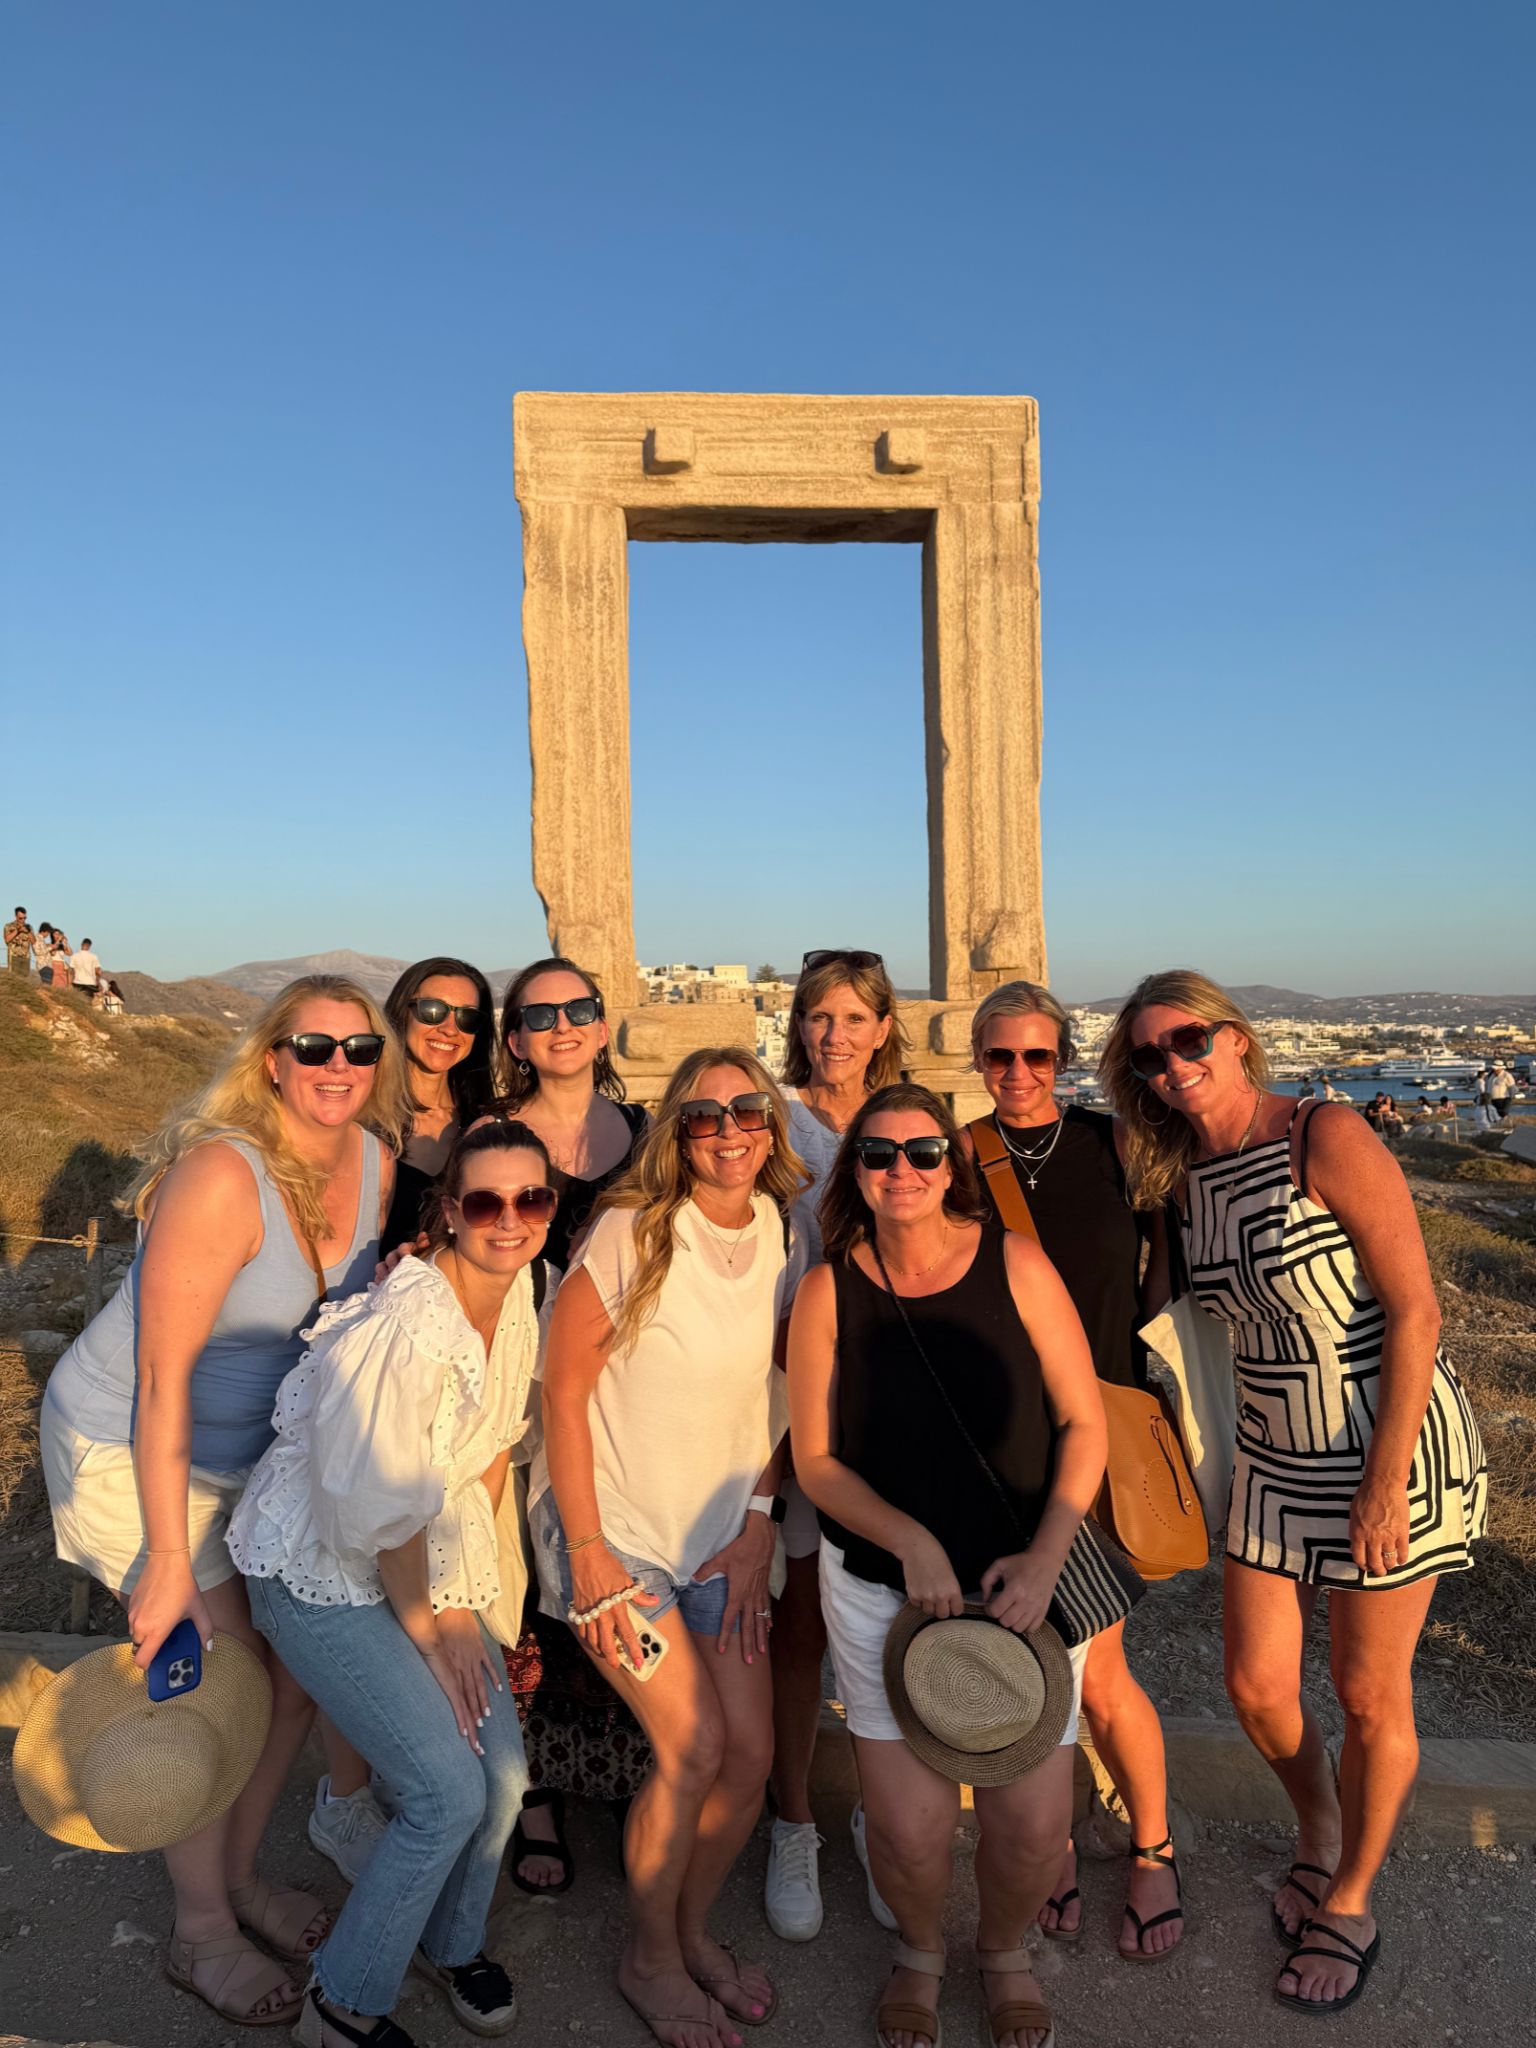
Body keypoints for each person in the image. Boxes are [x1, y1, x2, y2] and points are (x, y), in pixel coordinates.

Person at [1101, 971, 1487, 2016]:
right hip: (1272, 1456)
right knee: (1258, 1684)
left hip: (1380, 1439)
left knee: (1369, 1693)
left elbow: (1415, 1310)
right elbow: (1174, 1324)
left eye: (1188, 1039)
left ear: (1235, 1037)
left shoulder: (1325, 1133)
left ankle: (1353, 1895)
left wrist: (1383, 1479)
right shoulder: (1185, 1175)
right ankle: (1320, 1826)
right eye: (1147, 1055)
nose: (1172, 1065)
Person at [40, 974, 408, 2026]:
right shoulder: (222, 1175)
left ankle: (240, 1874)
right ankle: (198, 1931)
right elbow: (163, 1378)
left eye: (358, 1047)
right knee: (206, 1671)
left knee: (294, 1668)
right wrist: (165, 1558)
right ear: (273, 1058)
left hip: (252, 1460)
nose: (338, 1065)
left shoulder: (376, 1161)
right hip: (134, 1447)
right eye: (314, 1046)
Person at [789, 1082, 1107, 2048]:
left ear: (952, 1165)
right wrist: (912, 1540)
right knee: (910, 1831)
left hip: (1027, 1586)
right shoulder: (828, 1286)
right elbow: (816, 1461)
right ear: (855, 1172)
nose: (902, 1172)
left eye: (923, 1153)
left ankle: (1004, 1950)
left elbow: (1083, 1420)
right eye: (878, 1155)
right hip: (883, 1587)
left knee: (1029, 1824)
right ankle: (921, 1949)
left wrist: (1051, 1555)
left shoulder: (1017, 1264)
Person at [231, 1120, 557, 2048]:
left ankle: (448, 1944)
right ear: (449, 1211)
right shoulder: (407, 1327)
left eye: (529, 1200)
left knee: (503, 1781)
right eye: (485, 1202)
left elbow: (486, 1453)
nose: (509, 1220)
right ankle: (341, 2005)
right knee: (445, 1792)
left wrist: (464, 1601)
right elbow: (372, 1510)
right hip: (320, 1572)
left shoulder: (523, 1286)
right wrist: (434, 1628)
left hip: (425, 1561)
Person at [534, 1048, 806, 2048]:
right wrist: (591, 1548)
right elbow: (562, 1391)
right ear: (674, 1132)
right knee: (691, 1747)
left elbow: (784, 1388)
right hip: (617, 1542)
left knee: (751, 1757)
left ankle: (685, 1932)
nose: (729, 1129)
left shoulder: (781, 1229)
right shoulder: (631, 1229)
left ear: (770, 1122)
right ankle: (648, 1956)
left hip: (723, 1542)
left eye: (747, 1108)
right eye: (703, 1114)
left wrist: (763, 1515)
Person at [961, 982, 1183, 1959]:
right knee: (1027, 1651)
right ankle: (1047, 1835)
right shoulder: (960, 1156)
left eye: (1037, 1057)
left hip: (1103, 1436)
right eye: (1000, 1057)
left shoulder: (1117, 1144)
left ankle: (1153, 1846)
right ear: (978, 1060)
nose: (1017, 1074)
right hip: (1001, 1438)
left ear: (1063, 1058)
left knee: (1102, 1670)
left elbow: (1165, 1273)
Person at [499, 955, 650, 1890]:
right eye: (539, 1013)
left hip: (630, 1394)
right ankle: (535, 1793)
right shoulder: (494, 1136)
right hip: (519, 1394)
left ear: (602, 1025)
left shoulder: (647, 1132)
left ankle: (635, 1768)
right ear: (515, 1039)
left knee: (623, 1564)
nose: (562, 1024)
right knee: (521, 1587)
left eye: (579, 1009)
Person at [768, 947, 909, 1942]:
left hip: (892, 1401)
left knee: (884, 1620)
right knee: (800, 1622)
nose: (836, 1032)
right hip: (785, 1387)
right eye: (821, 1015)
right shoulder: (766, 1117)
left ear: (884, 1025)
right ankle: (792, 1820)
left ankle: (876, 1814)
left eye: (856, 1016)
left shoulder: (911, 1123)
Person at [380, 956, 498, 1255]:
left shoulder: (486, 1126)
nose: (449, 1028)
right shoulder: (359, 1119)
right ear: (402, 1013)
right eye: (432, 1011)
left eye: (467, 1018)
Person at [70, 936, 104, 1001]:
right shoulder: (94, 956)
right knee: (88, 1001)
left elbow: (72, 971)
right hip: (90, 982)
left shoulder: (74, 956)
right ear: (89, 946)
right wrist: (98, 982)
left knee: (78, 1000)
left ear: (81, 944)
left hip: (77, 982)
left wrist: (70, 982)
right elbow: (97, 971)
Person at [5, 905, 34, 975]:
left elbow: (34, 942)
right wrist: (18, 931)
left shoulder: (29, 927)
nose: (23, 920)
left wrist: (28, 932)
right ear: (16, 916)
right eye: (21, 918)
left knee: (25, 980)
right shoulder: (8, 926)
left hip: (26, 957)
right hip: (14, 956)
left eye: (25, 918)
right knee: (13, 979)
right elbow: (7, 939)